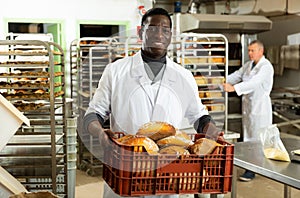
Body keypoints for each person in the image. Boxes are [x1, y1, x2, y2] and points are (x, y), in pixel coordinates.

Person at [83, 7, 222, 198]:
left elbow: (198, 116)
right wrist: (99, 132)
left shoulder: (184, 76)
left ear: (171, 36)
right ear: (141, 32)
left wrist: (209, 127)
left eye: (165, 30)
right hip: (126, 176)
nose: (159, 34)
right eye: (152, 28)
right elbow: (93, 114)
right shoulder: (115, 71)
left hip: (169, 179)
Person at [223, 40, 274, 182]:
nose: (250, 53)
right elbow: (236, 76)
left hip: (260, 108)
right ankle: (251, 166)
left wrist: (234, 88)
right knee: (248, 139)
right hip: (248, 108)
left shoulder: (266, 67)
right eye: (249, 50)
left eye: (253, 51)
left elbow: (254, 83)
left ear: (261, 51)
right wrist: (220, 81)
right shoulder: (248, 65)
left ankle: (252, 170)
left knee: (257, 140)